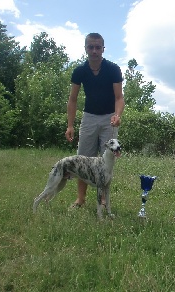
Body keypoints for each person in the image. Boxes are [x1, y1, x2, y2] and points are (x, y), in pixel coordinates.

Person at [65, 32, 125, 208]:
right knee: (83, 160)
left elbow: (119, 98)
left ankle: (104, 200)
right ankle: (81, 198)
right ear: (85, 48)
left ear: (103, 49)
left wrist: (118, 116)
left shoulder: (113, 69)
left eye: (98, 47)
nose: (94, 51)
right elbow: (73, 99)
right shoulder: (80, 71)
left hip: (109, 118)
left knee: (106, 160)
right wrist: (70, 126)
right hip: (89, 117)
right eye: (90, 47)